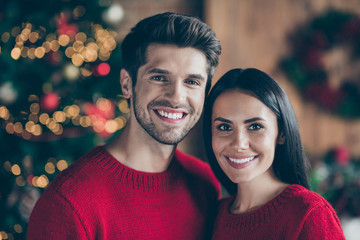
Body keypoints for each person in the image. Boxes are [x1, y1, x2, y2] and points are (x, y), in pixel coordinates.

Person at [27, 12, 222, 239]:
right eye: (159, 77)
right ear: (127, 84)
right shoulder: (68, 204)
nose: (176, 96)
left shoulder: (205, 184)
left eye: (192, 82)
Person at [203, 68, 346, 239]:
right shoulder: (213, 215)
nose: (239, 144)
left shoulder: (310, 213)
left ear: (282, 134)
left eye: (255, 126)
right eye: (224, 127)